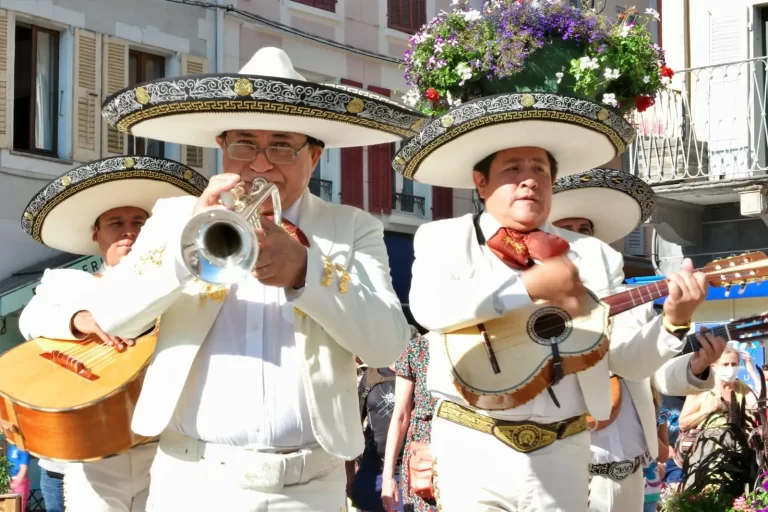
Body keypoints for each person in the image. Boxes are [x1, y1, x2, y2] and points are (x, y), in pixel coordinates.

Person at [394, 4, 712, 509]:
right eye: (513, 168)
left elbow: (627, 361)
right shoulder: (442, 237)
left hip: (563, 450)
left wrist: (673, 323)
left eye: (540, 169)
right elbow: (430, 309)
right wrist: (527, 288)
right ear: (480, 181)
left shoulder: (592, 256)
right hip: (472, 446)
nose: (528, 179)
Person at [91, 46, 421, 511]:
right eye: (244, 144)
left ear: (315, 157)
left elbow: (388, 344)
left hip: (309, 487)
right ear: (222, 151)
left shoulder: (352, 227)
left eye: (282, 146)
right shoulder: (173, 216)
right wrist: (189, 246)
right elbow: (113, 316)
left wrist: (308, 272)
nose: (261, 165)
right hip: (192, 481)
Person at [17, 156, 208, 512]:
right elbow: (30, 320)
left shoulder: (180, 288)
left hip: (161, 448)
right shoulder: (67, 282)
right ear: (96, 235)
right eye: (115, 223)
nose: (129, 231)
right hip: (82, 453)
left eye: (139, 222)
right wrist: (79, 318)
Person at [549, 168, 726, 512]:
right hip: (561, 472)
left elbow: (649, 373)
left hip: (629, 474)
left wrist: (694, 365)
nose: (577, 242)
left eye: (584, 231)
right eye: (565, 232)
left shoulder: (630, 305)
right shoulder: (527, 306)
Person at [381, 328, 437, 512]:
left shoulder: (476, 345)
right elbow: (400, 416)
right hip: (425, 452)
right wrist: (388, 477)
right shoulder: (416, 348)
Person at [7, 444, 30, 511]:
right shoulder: (12, 447)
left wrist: (16, 484)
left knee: (19, 506)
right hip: (10, 480)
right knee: (10, 506)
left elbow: (24, 468)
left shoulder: (23, 449)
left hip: (20, 481)